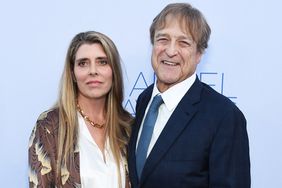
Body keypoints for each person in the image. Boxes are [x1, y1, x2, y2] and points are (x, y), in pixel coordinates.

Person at [128, 3, 250, 188]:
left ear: (199, 53)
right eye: (163, 39)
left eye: (183, 43)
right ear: (153, 44)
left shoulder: (224, 116)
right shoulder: (144, 100)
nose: (170, 51)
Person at [28, 31, 133, 187]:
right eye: (83, 63)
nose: (93, 71)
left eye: (102, 62)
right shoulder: (50, 126)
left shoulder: (128, 126)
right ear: (73, 73)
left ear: (114, 71)